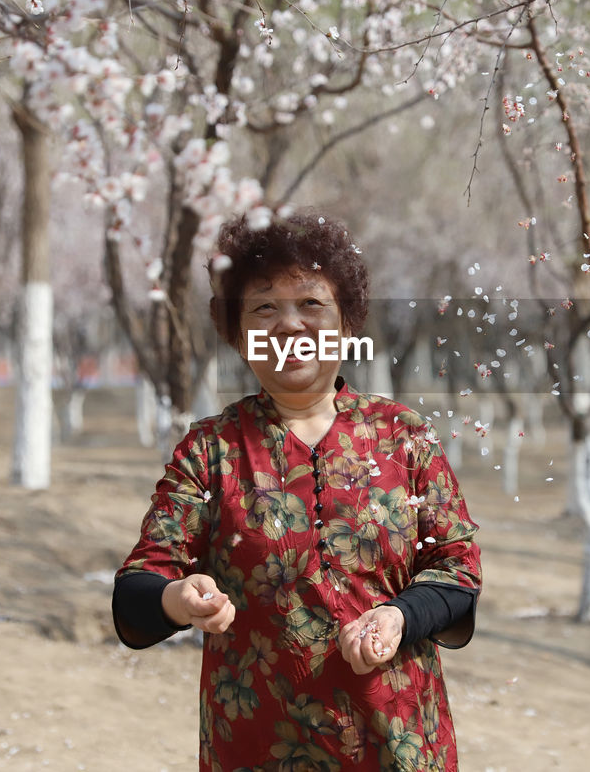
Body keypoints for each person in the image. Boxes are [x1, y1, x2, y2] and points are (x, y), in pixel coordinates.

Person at [113, 210, 483, 771]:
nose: (288, 325)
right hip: (256, 745)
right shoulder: (210, 450)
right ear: (240, 336)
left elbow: (457, 568)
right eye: (264, 308)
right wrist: (178, 598)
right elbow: (139, 586)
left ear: (348, 325)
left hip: (398, 741)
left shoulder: (403, 436)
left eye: (311, 304)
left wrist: (398, 617)